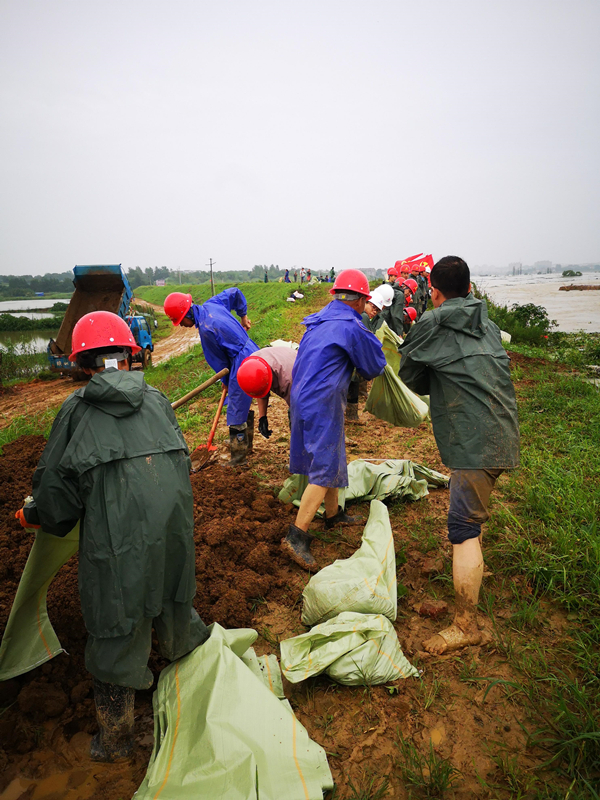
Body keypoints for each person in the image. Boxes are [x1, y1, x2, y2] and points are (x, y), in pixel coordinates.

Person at [16, 311, 209, 762]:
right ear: (129, 356)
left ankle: (117, 740)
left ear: (83, 364)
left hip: (119, 544)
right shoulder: (160, 399)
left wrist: (37, 514)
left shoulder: (76, 410)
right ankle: (193, 708)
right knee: (175, 605)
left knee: (114, 623)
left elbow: (57, 502)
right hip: (176, 533)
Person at [399, 256, 519, 654]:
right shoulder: (486, 321)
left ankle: (466, 625)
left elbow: (410, 377)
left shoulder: (433, 322)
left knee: (462, 529)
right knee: (473, 519)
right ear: (470, 287)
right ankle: (473, 576)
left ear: (432, 290)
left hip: (474, 442)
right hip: (504, 433)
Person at [281, 269, 387, 571]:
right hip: (323, 399)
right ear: (360, 300)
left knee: (333, 452)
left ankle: (333, 516)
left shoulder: (318, 320)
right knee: (324, 466)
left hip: (301, 394)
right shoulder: (352, 326)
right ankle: (297, 535)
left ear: (336, 295)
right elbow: (373, 367)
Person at [164, 289, 259, 465]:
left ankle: (239, 459)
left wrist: (226, 382)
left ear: (186, 314)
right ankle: (246, 445)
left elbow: (221, 364)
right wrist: (243, 316)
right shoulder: (211, 304)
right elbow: (235, 293)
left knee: (236, 409)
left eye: (180, 321)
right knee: (242, 401)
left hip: (241, 361)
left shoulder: (207, 330)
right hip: (253, 351)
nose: (182, 325)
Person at [237, 347, 297, 437]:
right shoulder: (253, 364)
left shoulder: (289, 382)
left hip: (301, 370)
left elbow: (300, 408)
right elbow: (261, 389)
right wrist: (262, 418)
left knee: (297, 416)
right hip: (282, 359)